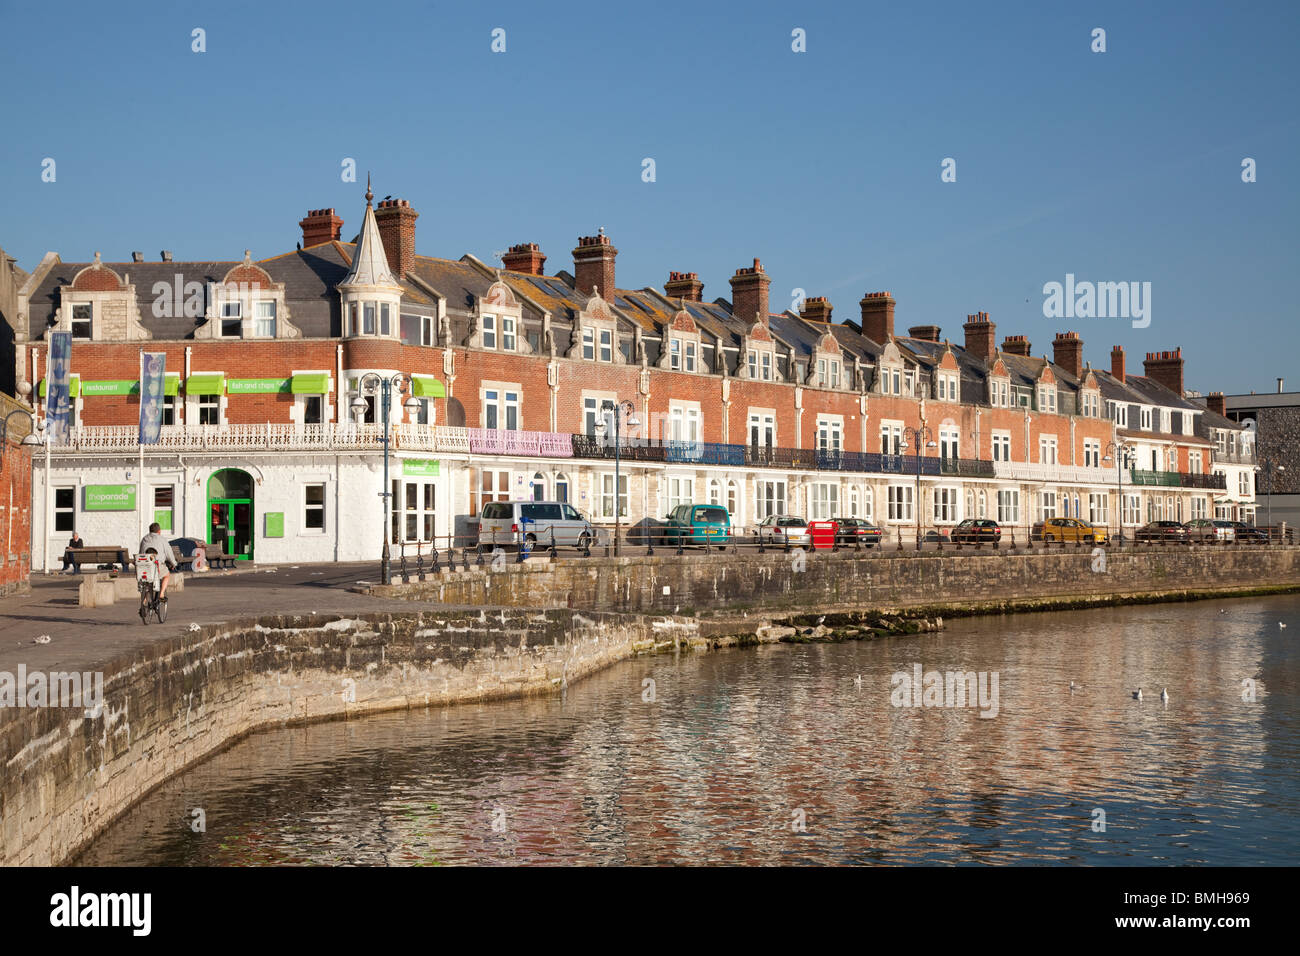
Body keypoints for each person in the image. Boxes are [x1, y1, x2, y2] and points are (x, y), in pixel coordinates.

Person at [138, 523, 178, 601]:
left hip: (144, 566)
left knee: (146, 581)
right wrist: (174, 563)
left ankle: (144, 601)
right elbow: (168, 553)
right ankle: (162, 594)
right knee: (166, 575)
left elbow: (140, 553)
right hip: (157, 565)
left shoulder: (144, 539)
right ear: (159, 531)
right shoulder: (162, 539)